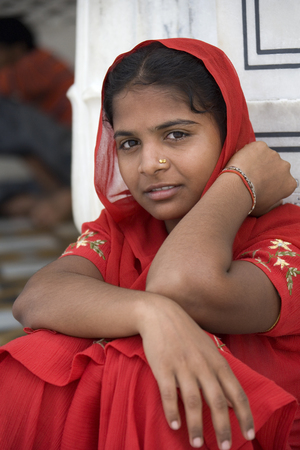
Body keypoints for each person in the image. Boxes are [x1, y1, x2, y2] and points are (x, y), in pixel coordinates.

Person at [0, 38, 299, 450]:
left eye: (176, 134)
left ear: (229, 135)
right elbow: (34, 299)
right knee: (43, 354)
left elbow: (183, 283)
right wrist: (149, 313)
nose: (148, 164)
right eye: (129, 143)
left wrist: (239, 180)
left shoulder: (286, 236)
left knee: (146, 374)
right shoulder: (124, 228)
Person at [0, 17, 74, 227]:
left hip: (67, 145)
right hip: (55, 146)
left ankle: (58, 195)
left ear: (16, 48)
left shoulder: (32, 63)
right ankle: (52, 197)